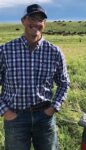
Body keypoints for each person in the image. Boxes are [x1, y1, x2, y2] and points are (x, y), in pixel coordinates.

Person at [0, 4, 70, 150]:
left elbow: (64, 83)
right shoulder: (5, 50)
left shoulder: (54, 52)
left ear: (44, 24)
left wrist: (53, 108)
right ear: (23, 20)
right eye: (32, 18)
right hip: (15, 118)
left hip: (44, 117)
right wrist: (5, 111)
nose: (37, 23)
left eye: (41, 19)